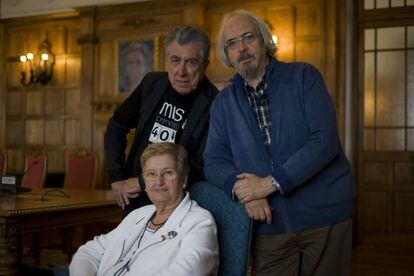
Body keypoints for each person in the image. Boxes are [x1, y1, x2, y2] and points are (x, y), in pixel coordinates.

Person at [204, 10, 356, 276]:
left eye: (248, 37)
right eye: (232, 43)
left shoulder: (304, 77)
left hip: (325, 217)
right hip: (268, 224)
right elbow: (214, 161)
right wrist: (244, 190)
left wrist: (268, 184)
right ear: (226, 54)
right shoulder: (223, 103)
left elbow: (324, 141)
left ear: (264, 41)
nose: (241, 48)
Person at [105, 25, 218, 215]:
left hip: (176, 205)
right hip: (133, 199)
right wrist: (116, 176)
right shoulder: (152, 83)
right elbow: (117, 124)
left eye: (191, 62)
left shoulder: (214, 103)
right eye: (175, 60)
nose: (181, 71)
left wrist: (142, 182)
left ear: (205, 65)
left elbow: (200, 165)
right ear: (167, 61)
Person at [70, 142, 219, 276]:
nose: (159, 181)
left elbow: (192, 270)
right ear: (145, 182)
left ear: (184, 179)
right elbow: (90, 251)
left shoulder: (199, 221)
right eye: (151, 174)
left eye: (168, 173)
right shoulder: (139, 214)